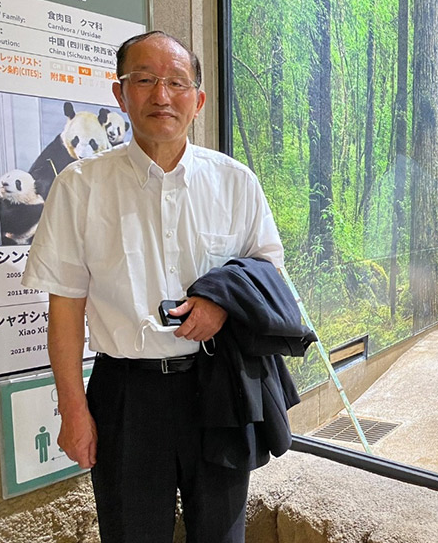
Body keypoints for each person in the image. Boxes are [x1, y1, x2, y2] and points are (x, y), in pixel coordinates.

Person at [22, 31, 285, 543]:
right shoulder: (80, 187)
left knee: (221, 535)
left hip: (217, 387)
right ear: (120, 94)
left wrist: (222, 304)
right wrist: (73, 409)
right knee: (130, 533)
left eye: (176, 83)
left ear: (198, 100)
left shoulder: (235, 182)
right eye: (144, 80)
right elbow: (66, 311)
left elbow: (269, 272)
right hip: (126, 393)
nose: (161, 96)